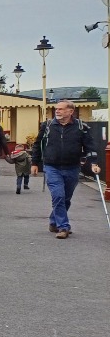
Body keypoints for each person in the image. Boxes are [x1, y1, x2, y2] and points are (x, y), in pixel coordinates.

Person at [30, 100, 101, 239]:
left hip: (72, 168)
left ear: (70, 111)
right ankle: (63, 227)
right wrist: (34, 163)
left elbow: (90, 147)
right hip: (52, 167)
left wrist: (94, 163)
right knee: (58, 196)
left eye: (61, 109)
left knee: (66, 198)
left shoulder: (81, 127)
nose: (57, 111)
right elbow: (38, 144)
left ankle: (53, 221)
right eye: (57, 109)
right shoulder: (48, 125)